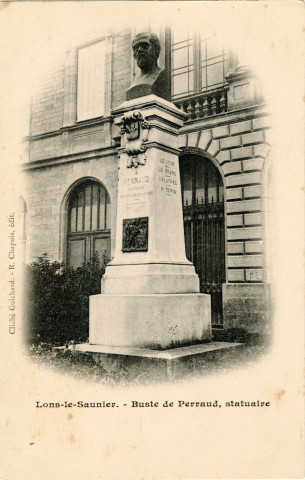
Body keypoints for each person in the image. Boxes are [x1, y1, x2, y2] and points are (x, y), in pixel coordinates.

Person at [126, 32, 170, 101]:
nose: (139, 50)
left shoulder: (162, 75)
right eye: (135, 48)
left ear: (156, 50)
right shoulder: (134, 83)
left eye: (144, 46)